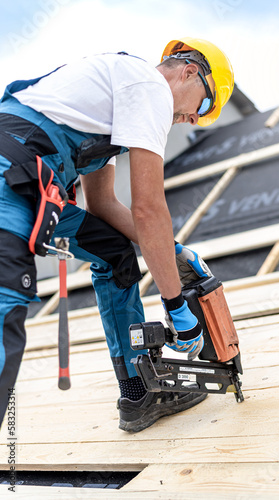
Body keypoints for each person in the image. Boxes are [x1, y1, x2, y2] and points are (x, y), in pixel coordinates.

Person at [0, 37, 234, 432]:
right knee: (5, 318)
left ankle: (139, 390)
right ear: (190, 72)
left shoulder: (113, 108)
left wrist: (172, 251)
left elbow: (105, 206)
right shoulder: (149, 87)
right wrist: (177, 305)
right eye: (204, 106)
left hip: (29, 181)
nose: (196, 119)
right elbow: (148, 207)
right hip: (12, 176)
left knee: (112, 252)